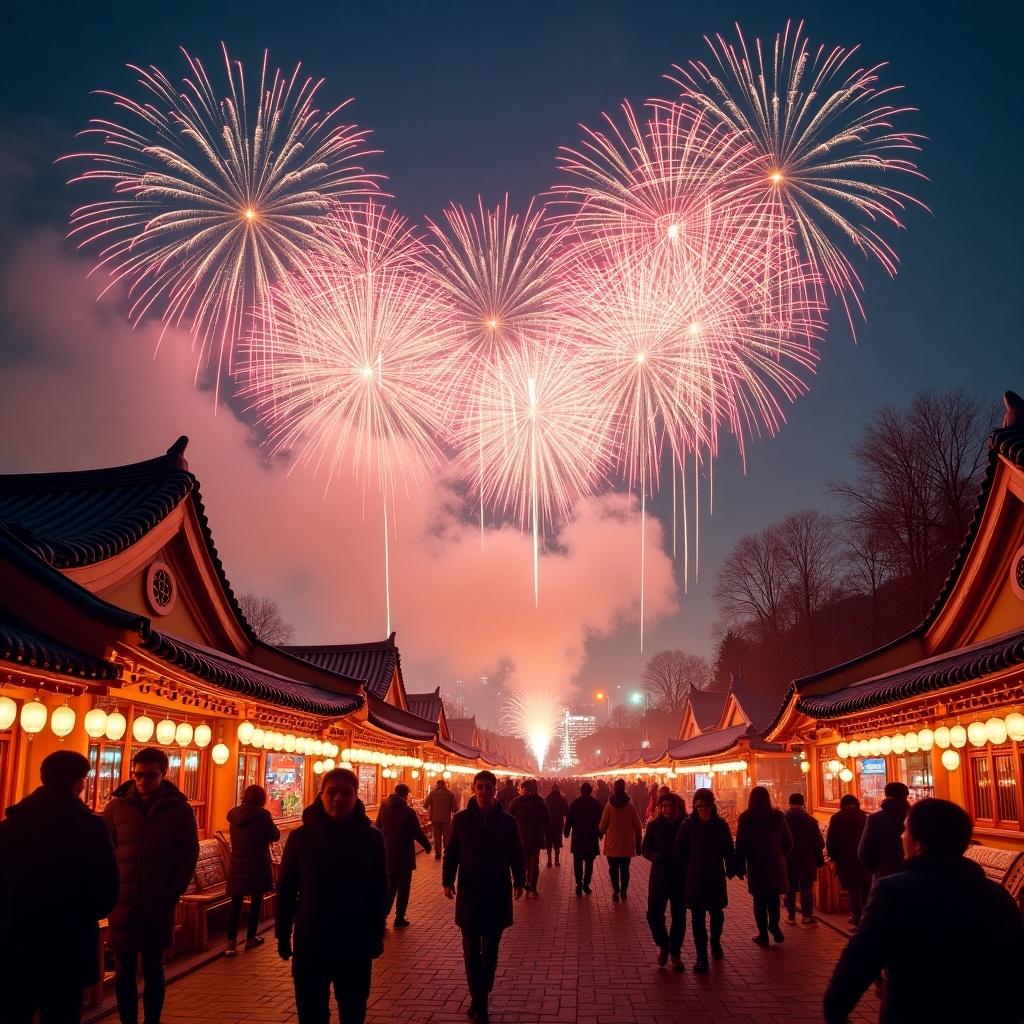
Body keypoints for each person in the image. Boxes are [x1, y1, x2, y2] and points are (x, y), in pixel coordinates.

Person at [823, 799, 1024, 1024]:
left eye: (906, 830)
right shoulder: (997, 897)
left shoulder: (894, 892)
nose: (901, 837)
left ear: (917, 843)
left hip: (914, 1011)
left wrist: (836, 1009)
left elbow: (860, 958)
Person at [0, 750, 119, 1024]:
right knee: (62, 1014)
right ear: (79, 782)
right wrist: (83, 914)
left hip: (17, 940)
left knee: (13, 1012)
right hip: (69, 943)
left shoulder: (10, 827)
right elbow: (108, 886)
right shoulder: (89, 827)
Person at [276, 768, 387, 1024]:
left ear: (355, 797)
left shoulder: (371, 838)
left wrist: (376, 934)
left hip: (355, 939)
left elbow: (378, 890)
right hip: (311, 938)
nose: (338, 798)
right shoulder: (300, 838)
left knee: (353, 1010)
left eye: (346, 792)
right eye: (332, 792)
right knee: (311, 1011)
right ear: (321, 795)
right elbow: (287, 888)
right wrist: (283, 933)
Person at [105, 746, 199, 1024]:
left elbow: (187, 853)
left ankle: (152, 1020)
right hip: (122, 903)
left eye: (151, 776)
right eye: (138, 775)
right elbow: (106, 850)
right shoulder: (115, 807)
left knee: (154, 969)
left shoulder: (179, 810)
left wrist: (173, 891)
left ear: (163, 774)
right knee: (124, 971)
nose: (143, 781)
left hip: (158, 902)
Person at [443, 770, 525, 1024]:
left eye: (489, 787)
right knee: (470, 950)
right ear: (473, 788)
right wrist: (447, 881)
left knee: (491, 950)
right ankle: (479, 1000)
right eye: (480, 787)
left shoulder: (508, 822)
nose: (484, 791)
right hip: (469, 892)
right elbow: (452, 852)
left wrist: (519, 880)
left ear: (495, 790)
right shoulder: (462, 820)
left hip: (497, 892)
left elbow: (516, 853)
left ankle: (482, 992)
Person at [674, 788, 735, 973]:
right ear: (694, 806)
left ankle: (715, 942)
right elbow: (679, 850)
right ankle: (702, 956)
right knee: (697, 918)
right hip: (695, 877)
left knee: (717, 914)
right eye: (699, 806)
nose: (703, 809)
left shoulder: (721, 825)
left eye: (706, 806)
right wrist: (686, 868)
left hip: (715, 875)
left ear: (712, 806)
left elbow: (728, 849)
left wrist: (732, 867)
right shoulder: (687, 825)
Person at [225, 784, 280, 955]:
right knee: (256, 900)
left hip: (237, 864)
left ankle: (231, 943)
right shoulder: (263, 816)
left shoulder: (234, 816)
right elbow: (275, 835)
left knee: (236, 903)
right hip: (257, 863)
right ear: (261, 799)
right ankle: (250, 938)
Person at [734, 785, 792, 946]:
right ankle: (774, 926)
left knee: (759, 901)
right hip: (775, 864)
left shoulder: (746, 818)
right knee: (773, 899)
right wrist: (780, 856)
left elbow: (741, 845)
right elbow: (788, 842)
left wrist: (740, 864)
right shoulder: (777, 816)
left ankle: (763, 934)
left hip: (756, 864)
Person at [375, 783, 431, 928]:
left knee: (389, 887)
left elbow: (377, 827)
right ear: (406, 795)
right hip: (404, 855)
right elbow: (416, 832)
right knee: (403, 888)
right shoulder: (408, 811)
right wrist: (427, 845)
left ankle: (382, 917)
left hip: (388, 854)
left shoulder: (383, 807)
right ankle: (399, 918)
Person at [641, 793, 686, 971]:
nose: (667, 809)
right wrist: (655, 856)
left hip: (679, 877)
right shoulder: (654, 826)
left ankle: (675, 952)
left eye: (670, 806)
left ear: (677, 807)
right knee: (654, 914)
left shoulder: (685, 825)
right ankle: (663, 944)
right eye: (664, 806)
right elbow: (645, 848)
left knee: (679, 917)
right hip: (659, 876)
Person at [826, 794, 871, 926]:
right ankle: (868, 917)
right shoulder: (865, 816)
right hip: (864, 857)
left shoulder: (836, 818)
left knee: (852, 888)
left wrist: (833, 857)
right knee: (865, 887)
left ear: (843, 804)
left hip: (845, 858)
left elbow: (831, 840)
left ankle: (856, 916)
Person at [783, 792, 824, 925]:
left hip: (788, 859)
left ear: (790, 803)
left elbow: (779, 840)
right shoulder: (810, 820)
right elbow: (819, 843)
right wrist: (819, 859)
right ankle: (807, 917)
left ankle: (791, 916)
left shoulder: (783, 820)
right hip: (807, 859)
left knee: (790, 888)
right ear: (803, 803)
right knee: (806, 887)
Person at [599, 778, 643, 901]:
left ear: (614, 788)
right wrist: (638, 844)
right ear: (624, 788)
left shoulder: (609, 805)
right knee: (625, 869)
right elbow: (638, 826)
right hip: (627, 844)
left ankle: (615, 892)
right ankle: (623, 891)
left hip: (612, 844)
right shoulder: (630, 805)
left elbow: (602, 826)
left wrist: (601, 832)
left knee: (613, 869)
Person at [859, 781, 910, 885]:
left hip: (883, 876)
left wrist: (879, 868)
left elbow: (863, 852)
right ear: (906, 796)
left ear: (886, 795)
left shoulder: (874, 819)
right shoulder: (915, 818)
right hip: (912, 878)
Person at [508, 779, 551, 895]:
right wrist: (547, 837)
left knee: (524, 862)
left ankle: (525, 881)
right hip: (536, 838)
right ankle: (533, 885)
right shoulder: (541, 802)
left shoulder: (516, 802)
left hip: (521, 838)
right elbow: (547, 821)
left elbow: (509, 820)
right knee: (534, 863)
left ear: (523, 789)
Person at [564, 781, 603, 895]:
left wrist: (566, 832)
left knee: (578, 862)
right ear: (591, 791)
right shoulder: (596, 804)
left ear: (581, 791)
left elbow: (569, 819)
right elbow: (601, 821)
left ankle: (578, 884)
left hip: (578, 838)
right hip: (591, 838)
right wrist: (600, 833)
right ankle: (586, 884)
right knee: (589, 863)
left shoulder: (575, 803)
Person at [423, 778, 459, 860]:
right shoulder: (450, 794)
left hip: (435, 818)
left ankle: (438, 853)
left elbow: (425, 805)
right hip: (446, 819)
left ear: (437, 784)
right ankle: (446, 851)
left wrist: (432, 809)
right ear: (444, 784)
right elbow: (455, 809)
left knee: (437, 837)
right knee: (446, 836)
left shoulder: (432, 793)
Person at [544, 782, 569, 867]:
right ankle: (557, 860)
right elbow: (566, 811)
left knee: (549, 842)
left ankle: (549, 860)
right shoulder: (562, 798)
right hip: (558, 824)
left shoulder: (547, 798)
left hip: (548, 824)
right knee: (557, 843)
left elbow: (543, 811)